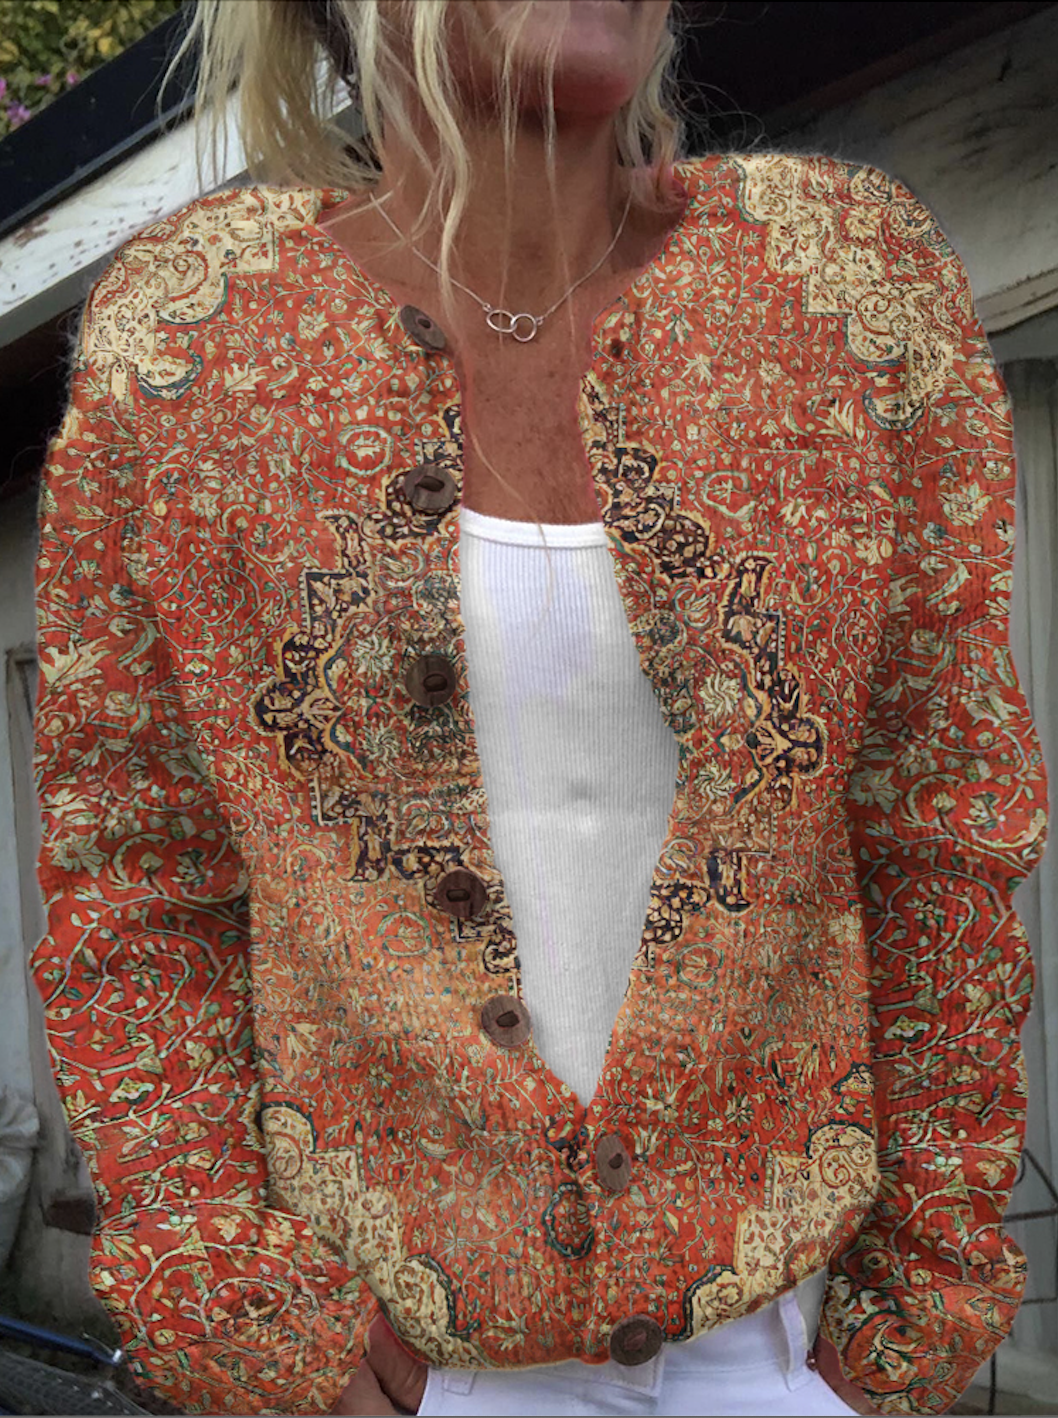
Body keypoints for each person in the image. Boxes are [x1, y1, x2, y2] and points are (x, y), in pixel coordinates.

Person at [30, 0, 1048, 1414]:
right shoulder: (189, 336)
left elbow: (939, 815)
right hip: (390, 1368)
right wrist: (245, 1309)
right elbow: (138, 864)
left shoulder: (841, 288)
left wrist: (910, 1312)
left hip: (780, 1357)